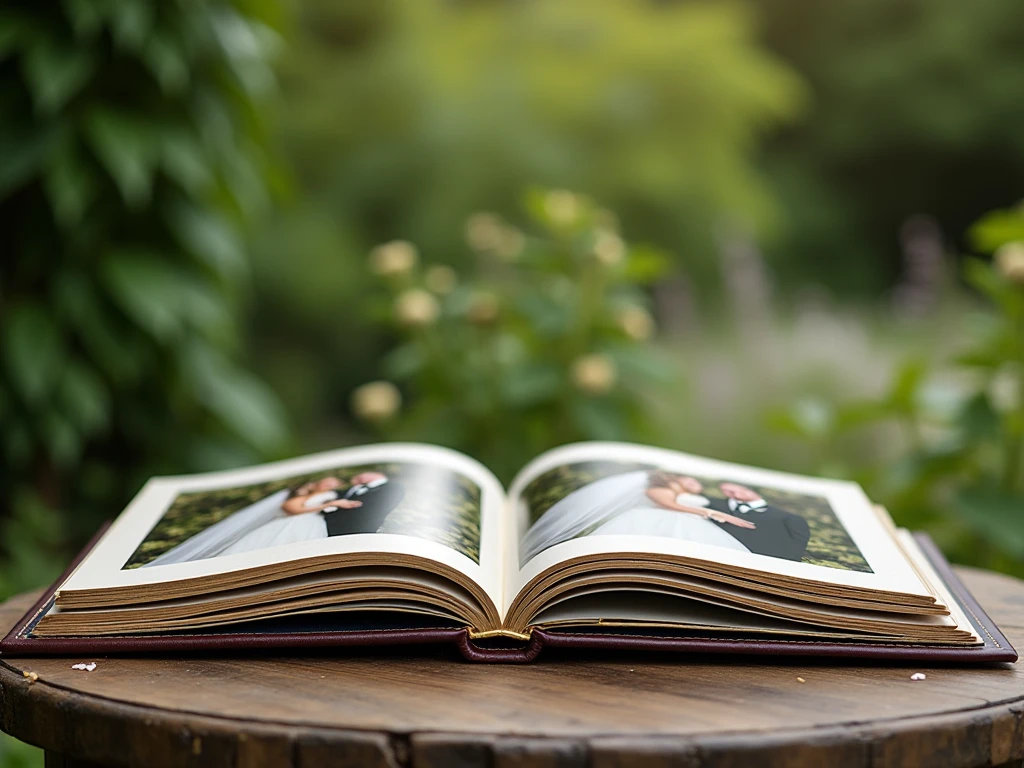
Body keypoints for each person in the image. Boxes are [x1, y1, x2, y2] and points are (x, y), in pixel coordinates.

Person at [519, 469, 753, 564]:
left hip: (691, 525)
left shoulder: (685, 494)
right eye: (690, 480)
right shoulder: (659, 491)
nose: (695, 485)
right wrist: (710, 513)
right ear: (675, 479)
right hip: (661, 522)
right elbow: (669, 505)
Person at [701, 482, 811, 562]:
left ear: (752, 490)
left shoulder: (789, 518)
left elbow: (795, 552)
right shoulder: (710, 504)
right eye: (728, 490)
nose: (735, 493)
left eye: (740, 489)